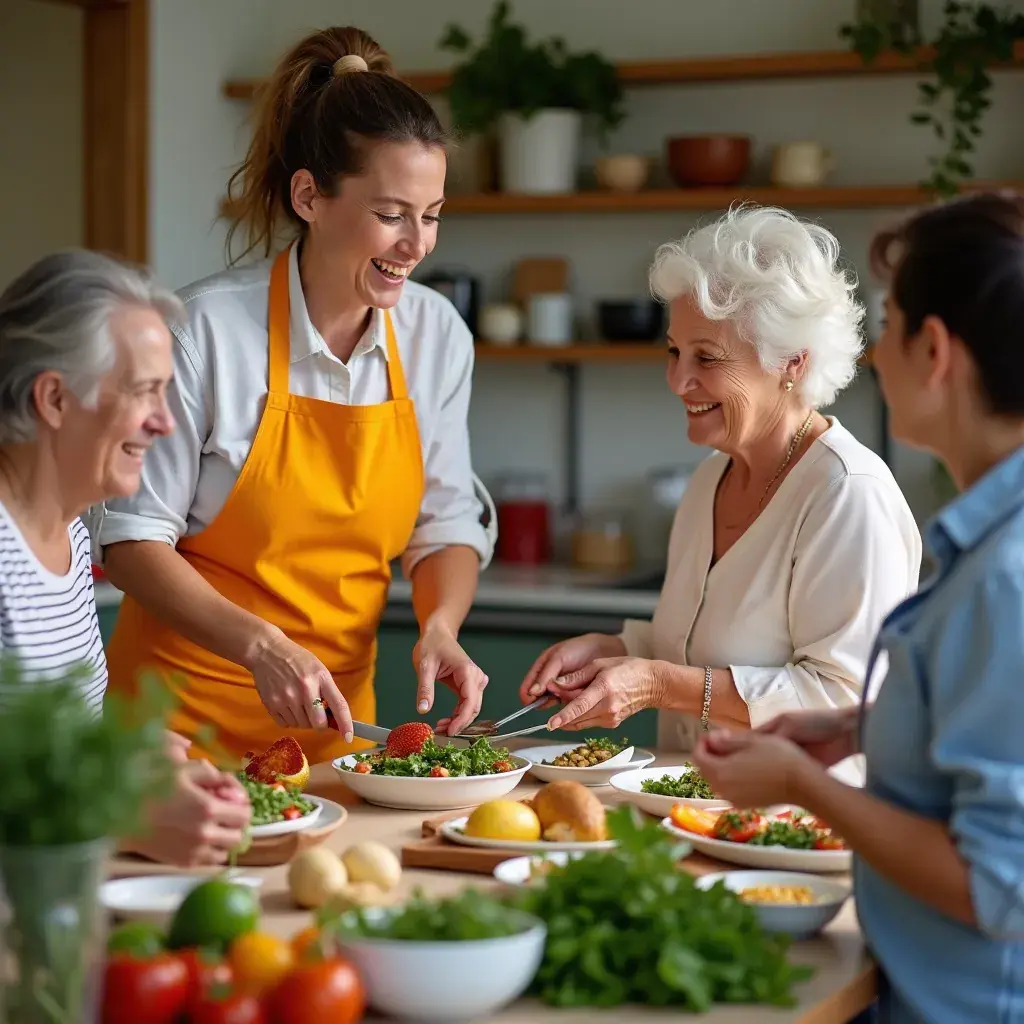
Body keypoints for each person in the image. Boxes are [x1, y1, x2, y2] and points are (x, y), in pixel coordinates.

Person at [88, 26, 495, 764]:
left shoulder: (437, 336)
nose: (418, 245)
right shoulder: (202, 332)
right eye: (392, 213)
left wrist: (441, 626)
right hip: (176, 735)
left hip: (335, 740)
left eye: (432, 215)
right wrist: (262, 645)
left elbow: (445, 522)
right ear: (309, 195)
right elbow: (131, 542)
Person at [691, 192, 1024, 1024]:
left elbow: (998, 885)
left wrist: (809, 783)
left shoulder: (1004, 574)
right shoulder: (987, 537)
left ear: (936, 350)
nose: (875, 356)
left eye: (894, 325)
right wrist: (857, 731)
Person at [520, 206, 921, 771]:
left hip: (799, 832)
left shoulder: (847, 494)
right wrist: (619, 651)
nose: (677, 380)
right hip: (695, 811)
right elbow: (702, 645)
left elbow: (846, 699)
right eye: (673, 350)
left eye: (706, 357)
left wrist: (658, 683)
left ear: (791, 363)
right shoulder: (711, 477)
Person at [0, 249, 250, 867]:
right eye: (144, 393)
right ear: (55, 399)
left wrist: (127, 758)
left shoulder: (67, 538)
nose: (166, 423)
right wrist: (118, 814)